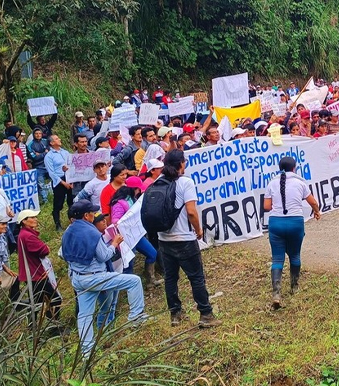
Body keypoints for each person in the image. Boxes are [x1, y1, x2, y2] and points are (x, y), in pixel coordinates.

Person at [62, 200, 147, 356]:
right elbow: (104, 255)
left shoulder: (68, 232)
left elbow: (63, 254)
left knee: (85, 315)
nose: (95, 215)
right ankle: (136, 316)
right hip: (96, 277)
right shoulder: (92, 232)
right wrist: (114, 243)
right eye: (93, 213)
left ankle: (87, 353)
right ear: (86, 215)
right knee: (134, 281)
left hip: (78, 279)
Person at [158, 150, 222, 327]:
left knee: (171, 278)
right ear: (180, 164)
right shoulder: (185, 182)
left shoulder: (158, 182)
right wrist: (198, 229)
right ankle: (206, 315)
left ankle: (175, 315)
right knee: (196, 277)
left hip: (164, 239)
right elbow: (191, 211)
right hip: (184, 238)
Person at [263, 156, 321, 308]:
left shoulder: (271, 183)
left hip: (276, 223)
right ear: (294, 168)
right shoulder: (300, 183)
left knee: (277, 259)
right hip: (295, 223)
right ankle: (294, 287)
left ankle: (276, 293)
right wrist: (316, 212)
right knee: (295, 255)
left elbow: (267, 207)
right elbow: (313, 201)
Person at [16, 209, 62, 320]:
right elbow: (44, 250)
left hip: (32, 274)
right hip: (37, 275)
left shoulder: (24, 234)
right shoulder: (28, 236)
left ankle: (33, 326)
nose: (35, 219)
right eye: (32, 217)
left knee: (36, 301)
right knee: (55, 299)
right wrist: (46, 247)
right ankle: (53, 325)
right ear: (24, 221)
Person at [44, 134, 73, 231]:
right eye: (56, 139)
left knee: (71, 201)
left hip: (69, 178)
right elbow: (51, 173)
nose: (59, 139)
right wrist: (63, 183)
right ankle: (58, 224)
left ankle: (72, 221)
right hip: (59, 181)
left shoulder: (65, 152)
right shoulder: (49, 156)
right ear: (52, 143)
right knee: (58, 204)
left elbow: (71, 164)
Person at [26, 127, 50, 203]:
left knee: (57, 180)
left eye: (40, 133)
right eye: (36, 133)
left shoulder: (46, 141)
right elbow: (35, 157)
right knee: (41, 185)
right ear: (33, 135)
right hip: (38, 167)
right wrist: (44, 153)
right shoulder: (30, 145)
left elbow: (51, 151)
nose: (38, 135)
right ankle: (45, 200)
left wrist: (40, 154)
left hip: (49, 165)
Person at [0, 214, 20, 302]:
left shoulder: (2, 236)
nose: (6, 226)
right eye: (3, 224)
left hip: (2, 268)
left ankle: (16, 304)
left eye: (6, 224)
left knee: (15, 279)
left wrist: (6, 269)